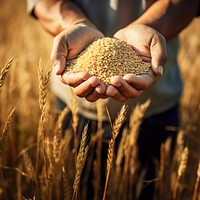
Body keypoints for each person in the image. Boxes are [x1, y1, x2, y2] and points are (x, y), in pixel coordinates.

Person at [27, 0, 199, 199]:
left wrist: (152, 26)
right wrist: (74, 24)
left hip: (154, 105)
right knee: (79, 191)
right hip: (74, 108)